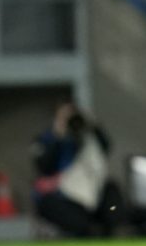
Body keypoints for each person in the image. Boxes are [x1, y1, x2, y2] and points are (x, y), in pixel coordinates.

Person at [30, 102, 124, 237]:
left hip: (92, 193)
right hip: (63, 195)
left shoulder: (88, 138)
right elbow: (44, 166)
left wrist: (93, 124)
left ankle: (112, 232)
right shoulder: (47, 139)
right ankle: (86, 231)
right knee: (76, 221)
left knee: (112, 194)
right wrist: (58, 134)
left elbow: (106, 147)